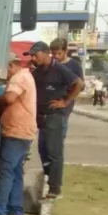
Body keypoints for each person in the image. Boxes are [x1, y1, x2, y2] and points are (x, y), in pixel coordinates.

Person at [28, 41, 84, 199]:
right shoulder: (38, 70)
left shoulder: (60, 68)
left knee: (54, 151)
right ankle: (49, 176)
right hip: (41, 116)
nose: (33, 57)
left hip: (55, 116)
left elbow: (79, 84)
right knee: (43, 149)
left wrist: (65, 102)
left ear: (46, 53)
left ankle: (54, 188)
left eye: (35, 54)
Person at [0, 55, 38, 215]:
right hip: (23, 132)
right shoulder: (27, 76)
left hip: (16, 132)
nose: (5, 75)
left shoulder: (19, 77)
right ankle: (15, 212)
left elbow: (9, 98)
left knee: (5, 171)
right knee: (15, 173)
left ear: (10, 66)